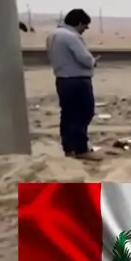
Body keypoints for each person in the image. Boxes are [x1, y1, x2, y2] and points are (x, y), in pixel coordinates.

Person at [46, 9, 102, 161]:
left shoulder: (53, 35)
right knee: (83, 113)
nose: (85, 29)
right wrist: (93, 61)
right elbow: (84, 58)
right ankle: (81, 149)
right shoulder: (71, 37)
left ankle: (68, 148)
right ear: (78, 23)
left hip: (62, 79)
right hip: (77, 80)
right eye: (85, 25)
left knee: (68, 115)